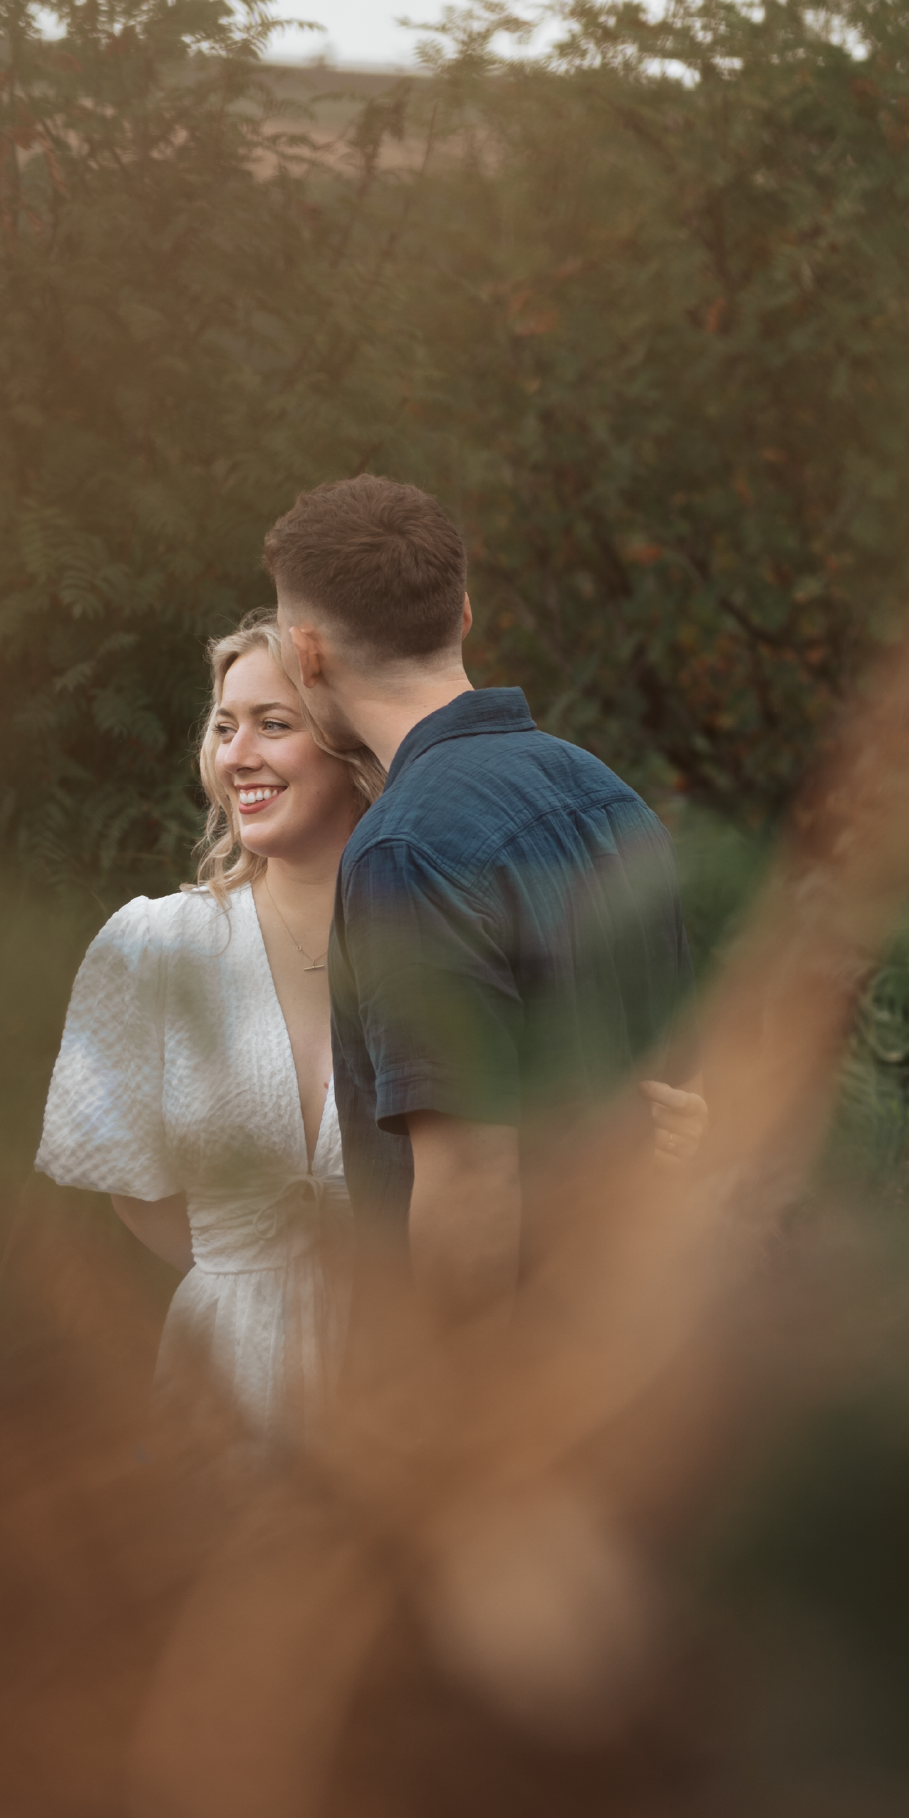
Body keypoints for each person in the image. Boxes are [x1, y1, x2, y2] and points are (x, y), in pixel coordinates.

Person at [35, 605, 705, 1434]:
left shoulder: (442, 920)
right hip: (221, 1388)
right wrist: (256, 1279)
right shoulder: (153, 947)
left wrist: (674, 1133)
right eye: (223, 726)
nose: (237, 754)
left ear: (345, 738)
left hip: (413, 1371)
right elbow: (127, 1186)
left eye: (272, 724)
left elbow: (545, 1137)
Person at [266, 473, 702, 1329]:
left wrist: (454, 1421)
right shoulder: (607, 793)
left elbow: (468, 1181)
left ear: (306, 652)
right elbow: (685, 1091)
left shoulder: (405, 847)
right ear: (462, 614)